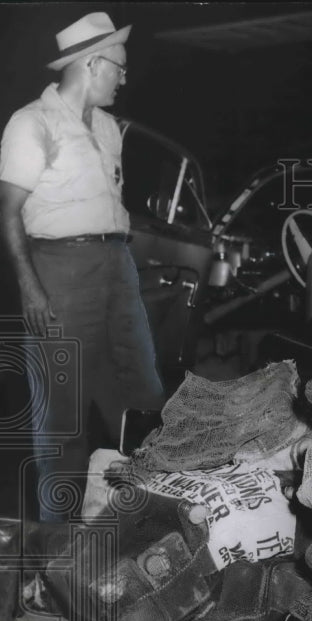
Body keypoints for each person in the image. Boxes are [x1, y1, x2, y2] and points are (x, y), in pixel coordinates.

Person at [0, 12, 164, 522]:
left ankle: (130, 527)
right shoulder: (33, 123)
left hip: (117, 265)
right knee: (61, 418)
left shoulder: (109, 128)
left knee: (141, 399)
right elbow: (7, 210)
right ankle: (55, 558)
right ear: (91, 64)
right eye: (119, 66)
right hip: (60, 270)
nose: (124, 77)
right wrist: (31, 287)